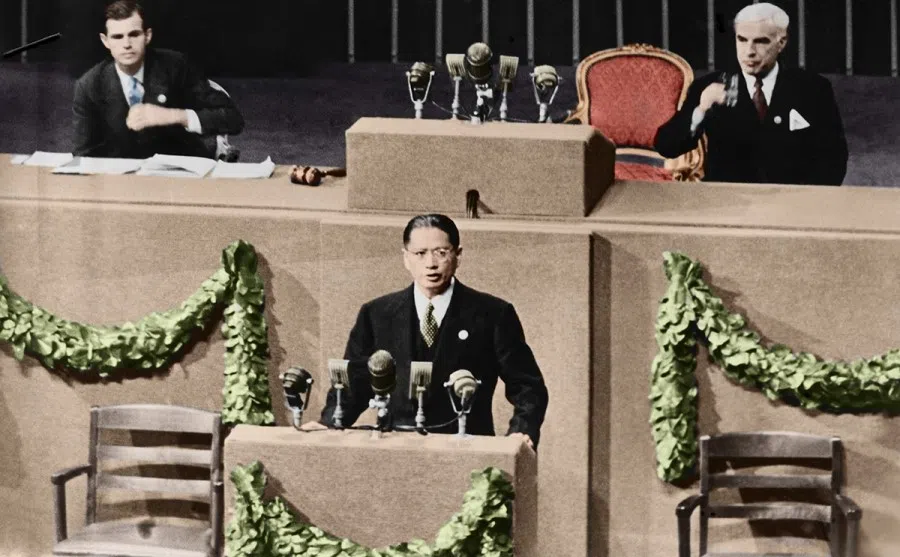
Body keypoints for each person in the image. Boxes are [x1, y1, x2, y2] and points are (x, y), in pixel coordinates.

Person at [305, 214, 549, 449]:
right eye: (420, 253)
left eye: (441, 252)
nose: (430, 263)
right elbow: (353, 385)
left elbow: (528, 387)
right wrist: (328, 424)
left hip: (466, 449)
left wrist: (522, 431)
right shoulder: (377, 314)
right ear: (406, 258)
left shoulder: (492, 314)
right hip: (394, 448)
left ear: (458, 255)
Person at [654, 2, 848, 186]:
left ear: (781, 42)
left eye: (761, 41)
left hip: (790, 202)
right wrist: (701, 110)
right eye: (742, 40)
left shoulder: (813, 89)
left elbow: (834, 159)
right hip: (730, 202)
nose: (749, 51)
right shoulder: (709, 86)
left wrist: (803, 200)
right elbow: (666, 146)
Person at [72, 0, 244, 159]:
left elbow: (233, 119)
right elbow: (83, 153)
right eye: (117, 37)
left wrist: (173, 115)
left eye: (134, 34)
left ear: (147, 36)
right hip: (122, 178)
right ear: (105, 41)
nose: (126, 44)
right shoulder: (89, 85)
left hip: (181, 173)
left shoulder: (176, 67)